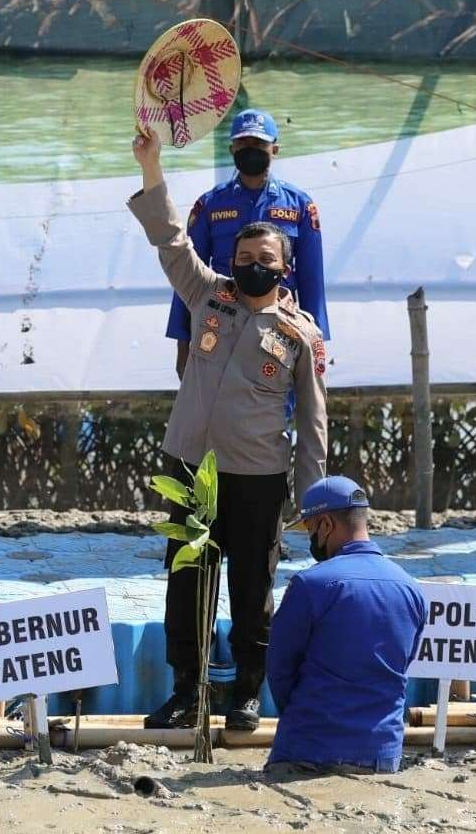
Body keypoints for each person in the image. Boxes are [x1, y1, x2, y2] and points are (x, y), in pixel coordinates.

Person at [129, 127, 328, 733]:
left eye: (265, 261)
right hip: (189, 469)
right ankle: (187, 690)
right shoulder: (206, 295)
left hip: (258, 478)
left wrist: (313, 501)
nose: (252, 267)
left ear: (285, 267)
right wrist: (151, 166)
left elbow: (314, 422)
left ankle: (245, 693)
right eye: (243, 260)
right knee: (186, 582)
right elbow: (169, 238)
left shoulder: (301, 335)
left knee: (250, 589)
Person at [266, 477, 426, 774]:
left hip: (308, 750)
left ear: (325, 524)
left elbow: (279, 670)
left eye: (310, 530)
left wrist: (303, 720)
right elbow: (401, 665)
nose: (311, 539)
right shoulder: (411, 589)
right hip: (382, 755)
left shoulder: (310, 585)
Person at [165, 109, 329, 379]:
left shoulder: (299, 205)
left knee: (275, 405)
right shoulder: (209, 205)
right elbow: (187, 278)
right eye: (242, 143)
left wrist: (317, 346)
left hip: (280, 325)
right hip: (220, 320)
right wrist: (182, 344)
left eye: (258, 143)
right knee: (217, 405)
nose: (250, 149)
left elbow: (312, 281)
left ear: (274, 149)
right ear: (231, 149)